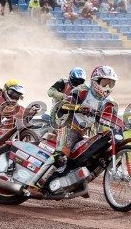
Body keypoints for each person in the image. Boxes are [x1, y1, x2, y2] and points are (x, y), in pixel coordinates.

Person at [31, 66, 118, 195]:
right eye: (105, 83)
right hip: (68, 126)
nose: (107, 87)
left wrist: (127, 123)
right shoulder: (82, 90)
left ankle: (76, 183)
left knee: (96, 157)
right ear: (95, 81)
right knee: (61, 156)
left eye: (110, 83)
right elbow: (63, 105)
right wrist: (79, 108)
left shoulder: (109, 102)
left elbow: (112, 119)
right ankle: (34, 185)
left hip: (85, 132)